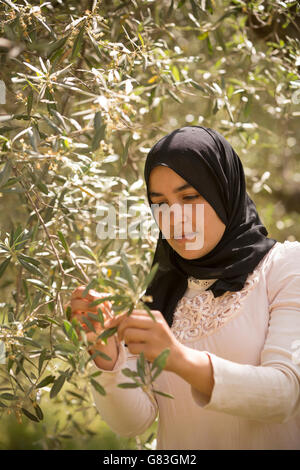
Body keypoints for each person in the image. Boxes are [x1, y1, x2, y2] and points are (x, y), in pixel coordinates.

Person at [69, 126, 300, 450]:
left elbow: (284, 396)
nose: (174, 217)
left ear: (223, 190)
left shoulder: (286, 267)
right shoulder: (160, 287)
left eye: (190, 196)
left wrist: (179, 358)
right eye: (159, 202)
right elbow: (133, 422)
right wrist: (105, 353)